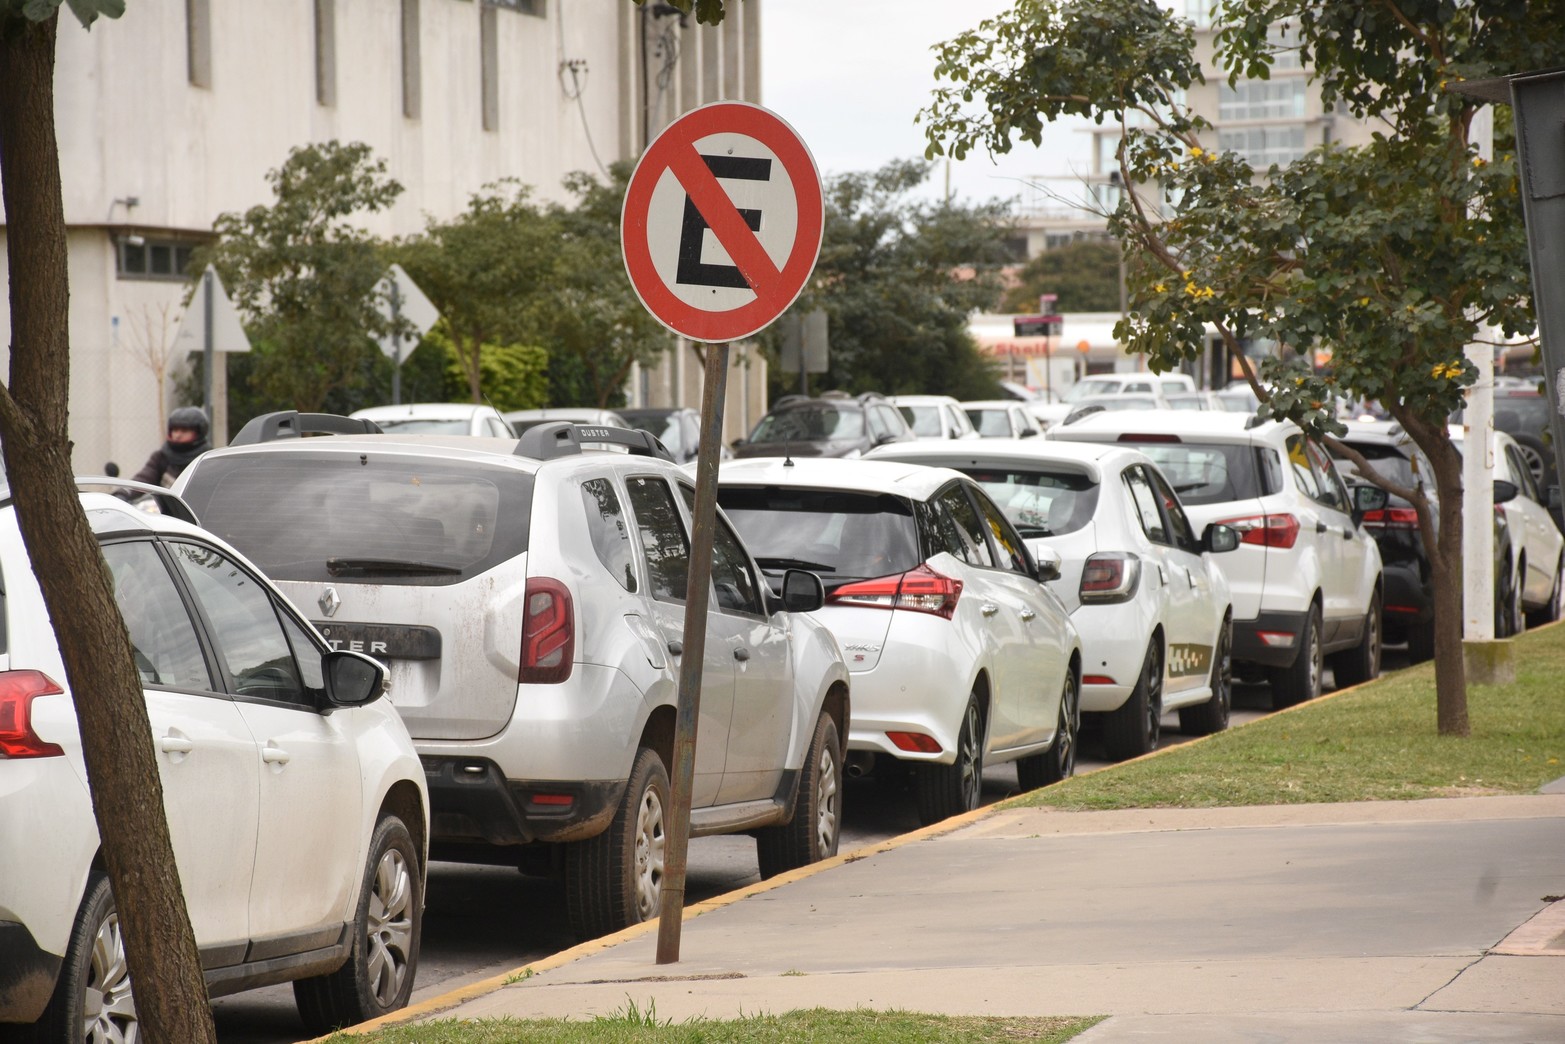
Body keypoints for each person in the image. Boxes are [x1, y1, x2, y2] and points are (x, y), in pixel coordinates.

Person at [129, 406, 211, 489]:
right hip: (162, 502)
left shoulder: (208, 460)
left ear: (199, 433)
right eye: (175, 430)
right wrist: (124, 493)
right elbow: (144, 478)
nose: (178, 435)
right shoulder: (161, 457)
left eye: (184, 431)